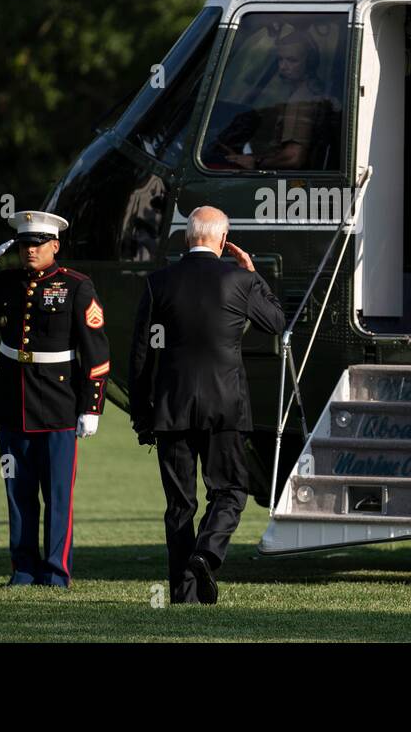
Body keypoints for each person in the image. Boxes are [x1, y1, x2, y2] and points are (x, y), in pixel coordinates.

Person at [128, 205, 285, 603]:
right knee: (231, 490)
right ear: (222, 239)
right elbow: (277, 323)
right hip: (225, 406)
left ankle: (185, 595)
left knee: (179, 504)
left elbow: (140, 354)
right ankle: (208, 552)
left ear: (187, 237)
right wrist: (252, 274)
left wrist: (142, 413)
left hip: (171, 406)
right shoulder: (239, 279)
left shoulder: (158, 282)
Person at [0, 210, 110, 588]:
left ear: (55, 245)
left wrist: (92, 405)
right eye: (23, 244)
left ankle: (55, 572)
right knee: (17, 490)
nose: (29, 250)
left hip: (58, 401)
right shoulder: (6, 282)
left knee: (56, 493)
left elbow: (97, 351)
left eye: (37, 243)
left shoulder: (76, 286)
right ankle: (23, 569)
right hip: (10, 399)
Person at [211, 30, 337, 171]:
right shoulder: (313, 91)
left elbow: (294, 158)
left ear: (310, 62)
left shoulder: (300, 100)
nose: (283, 66)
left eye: (292, 60)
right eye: (280, 59)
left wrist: (255, 162)